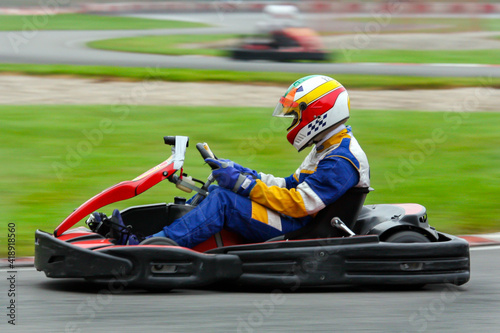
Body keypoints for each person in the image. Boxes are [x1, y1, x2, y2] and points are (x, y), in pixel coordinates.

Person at [98, 75, 370, 247]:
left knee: (224, 201)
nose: (293, 122)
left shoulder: (340, 159)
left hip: (301, 229)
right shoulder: (328, 146)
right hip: (299, 219)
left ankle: (150, 247)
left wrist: (242, 184)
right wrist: (243, 172)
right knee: (218, 189)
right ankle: (156, 239)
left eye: (296, 115)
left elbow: (298, 204)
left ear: (317, 115)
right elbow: (289, 185)